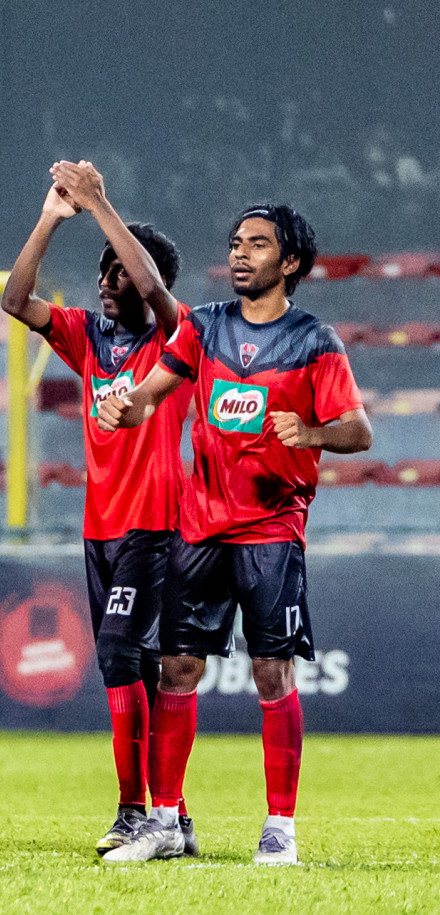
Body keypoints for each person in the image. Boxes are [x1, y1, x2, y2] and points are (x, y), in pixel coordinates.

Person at [97, 204, 371, 865]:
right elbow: (151, 394)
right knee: (177, 668)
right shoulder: (204, 328)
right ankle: (165, 821)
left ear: (292, 263)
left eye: (258, 244)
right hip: (200, 526)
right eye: (236, 243)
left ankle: (280, 828)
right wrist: (121, 405)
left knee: (271, 671)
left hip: (272, 527)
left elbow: (358, 432)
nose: (241, 254)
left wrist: (310, 433)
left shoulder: (315, 340)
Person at [1, 159, 198, 857]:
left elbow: (152, 285)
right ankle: (168, 816)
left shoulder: (177, 336)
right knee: (132, 667)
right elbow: (15, 300)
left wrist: (103, 205)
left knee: (119, 652)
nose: (106, 281)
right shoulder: (91, 338)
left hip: (157, 522)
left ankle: (132, 812)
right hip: (101, 527)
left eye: (117, 270)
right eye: (102, 269)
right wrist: (54, 217)